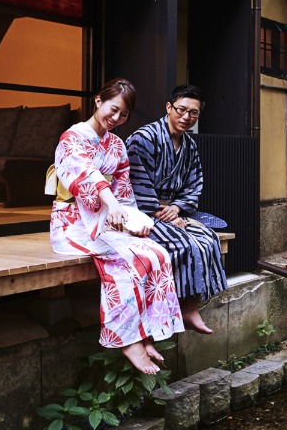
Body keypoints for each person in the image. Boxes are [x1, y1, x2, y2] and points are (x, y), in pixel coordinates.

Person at [50, 79, 184, 374]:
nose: (116, 118)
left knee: (157, 254)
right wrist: (110, 205)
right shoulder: (72, 138)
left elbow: (124, 193)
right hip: (73, 223)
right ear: (98, 101)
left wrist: (134, 222)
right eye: (113, 110)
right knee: (125, 259)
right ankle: (127, 340)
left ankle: (146, 333)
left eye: (123, 115)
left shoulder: (117, 145)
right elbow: (85, 174)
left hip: (108, 222)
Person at [126, 84, 227, 334]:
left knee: (209, 239)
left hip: (174, 210)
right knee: (183, 244)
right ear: (169, 107)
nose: (186, 117)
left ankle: (191, 307)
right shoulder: (144, 138)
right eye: (181, 109)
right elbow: (134, 181)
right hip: (142, 212)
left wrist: (177, 208)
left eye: (193, 113)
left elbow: (194, 183)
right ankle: (176, 307)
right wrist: (162, 212)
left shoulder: (189, 144)